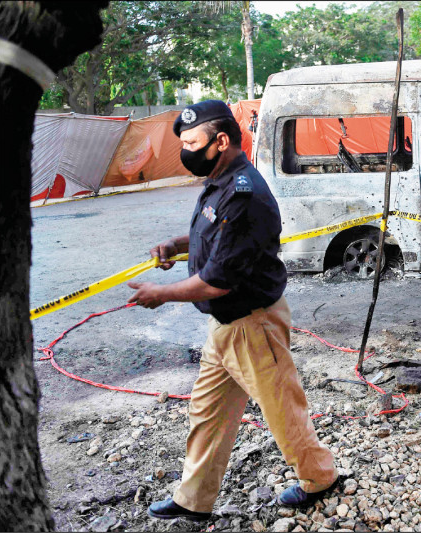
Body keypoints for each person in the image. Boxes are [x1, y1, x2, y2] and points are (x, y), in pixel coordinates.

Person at [127, 100, 338, 521]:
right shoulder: (221, 181)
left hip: (252, 324)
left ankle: (321, 479)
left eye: (191, 143)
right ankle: (193, 500)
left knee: (282, 411)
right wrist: (175, 243)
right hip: (226, 327)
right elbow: (212, 238)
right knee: (207, 413)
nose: (185, 151)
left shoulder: (244, 194)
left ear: (220, 141)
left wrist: (161, 293)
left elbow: (217, 280)